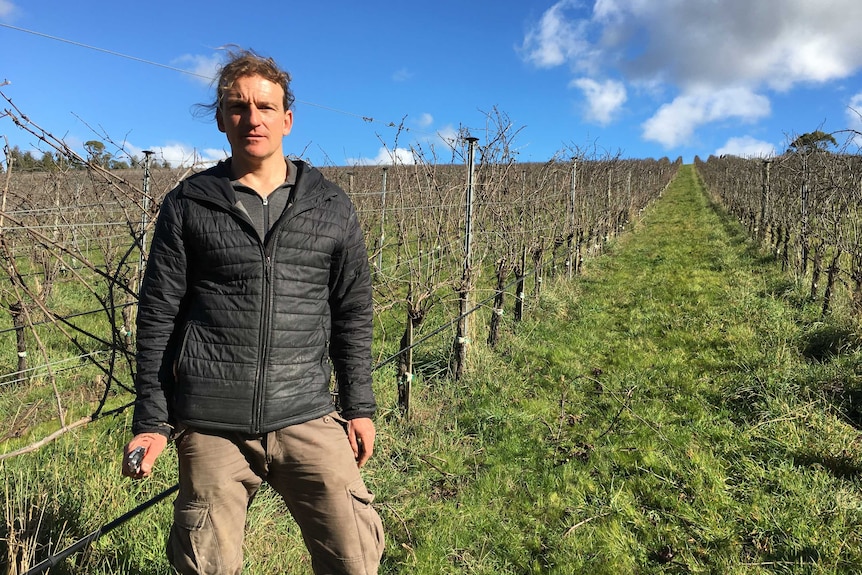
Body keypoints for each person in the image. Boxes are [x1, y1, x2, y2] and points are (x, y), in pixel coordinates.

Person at [121, 48, 384, 575]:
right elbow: (157, 316)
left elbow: (351, 311)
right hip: (212, 421)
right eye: (238, 107)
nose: (252, 118)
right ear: (221, 118)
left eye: (265, 106)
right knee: (207, 566)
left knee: (354, 557)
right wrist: (153, 421)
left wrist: (358, 405)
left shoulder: (330, 206)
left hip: (306, 410)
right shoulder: (189, 203)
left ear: (287, 118)